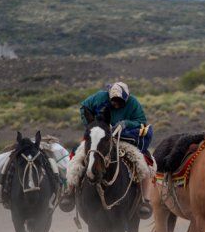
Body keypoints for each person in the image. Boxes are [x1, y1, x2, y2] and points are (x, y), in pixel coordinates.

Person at [61, 82, 153, 217]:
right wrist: (92, 125)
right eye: (113, 101)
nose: (116, 104)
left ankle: (145, 200)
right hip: (99, 136)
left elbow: (141, 121)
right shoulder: (99, 97)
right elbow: (83, 107)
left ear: (126, 98)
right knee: (76, 157)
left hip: (123, 138)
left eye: (119, 101)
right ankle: (69, 192)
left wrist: (126, 123)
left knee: (142, 161)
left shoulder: (133, 103)